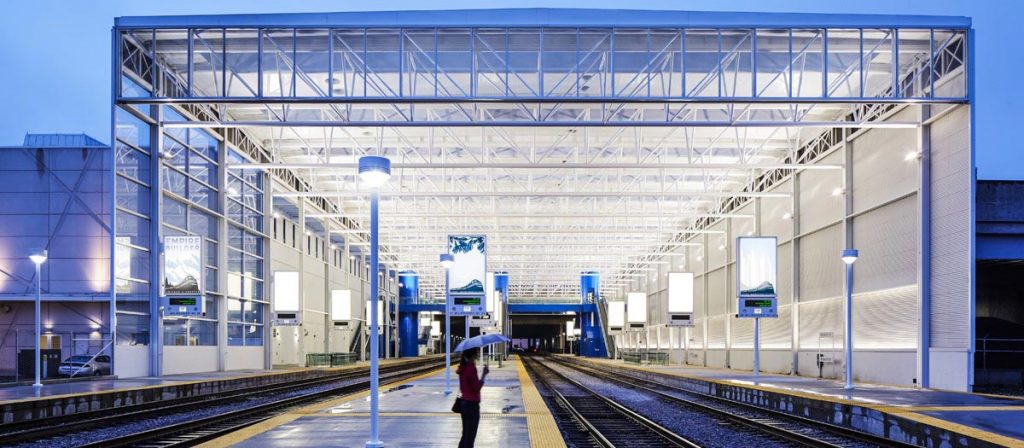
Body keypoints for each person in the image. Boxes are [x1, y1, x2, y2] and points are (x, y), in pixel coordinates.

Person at [456, 348, 488, 448]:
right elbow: (476, 388)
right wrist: (484, 375)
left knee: (465, 435)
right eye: (476, 353)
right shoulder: (471, 368)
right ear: (473, 355)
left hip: (464, 404)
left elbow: (463, 387)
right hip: (472, 406)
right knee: (470, 438)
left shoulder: (462, 367)